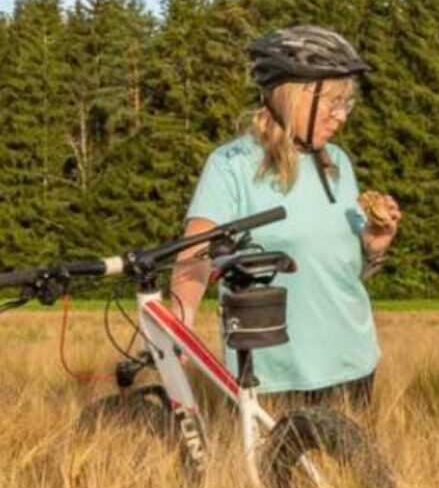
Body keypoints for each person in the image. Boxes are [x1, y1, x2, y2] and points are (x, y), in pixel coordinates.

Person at [170, 24, 400, 405]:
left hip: (354, 364)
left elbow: (340, 269)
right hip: (272, 376)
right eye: (333, 101)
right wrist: (181, 320)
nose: (341, 116)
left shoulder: (338, 163)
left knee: (349, 466)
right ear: (292, 95)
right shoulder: (231, 165)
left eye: (347, 103)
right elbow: (195, 255)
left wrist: (373, 248)